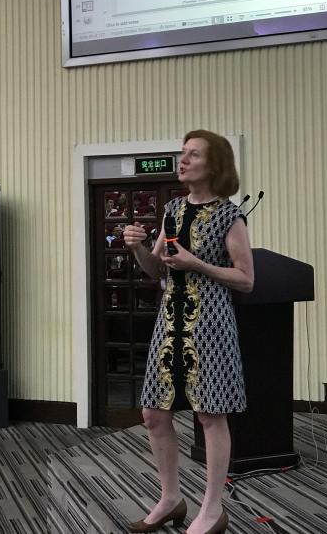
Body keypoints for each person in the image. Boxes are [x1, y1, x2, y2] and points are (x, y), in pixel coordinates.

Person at [124, 130, 254, 534]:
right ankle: (170, 498)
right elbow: (156, 269)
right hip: (170, 322)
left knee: (210, 414)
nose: (182, 160)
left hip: (210, 322)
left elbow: (246, 279)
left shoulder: (230, 216)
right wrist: (137, 247)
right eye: (183, 153)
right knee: (152, 413)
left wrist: (198, 264)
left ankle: (212, 510)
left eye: (193, 154)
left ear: (214, 165)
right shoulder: (173, 210)